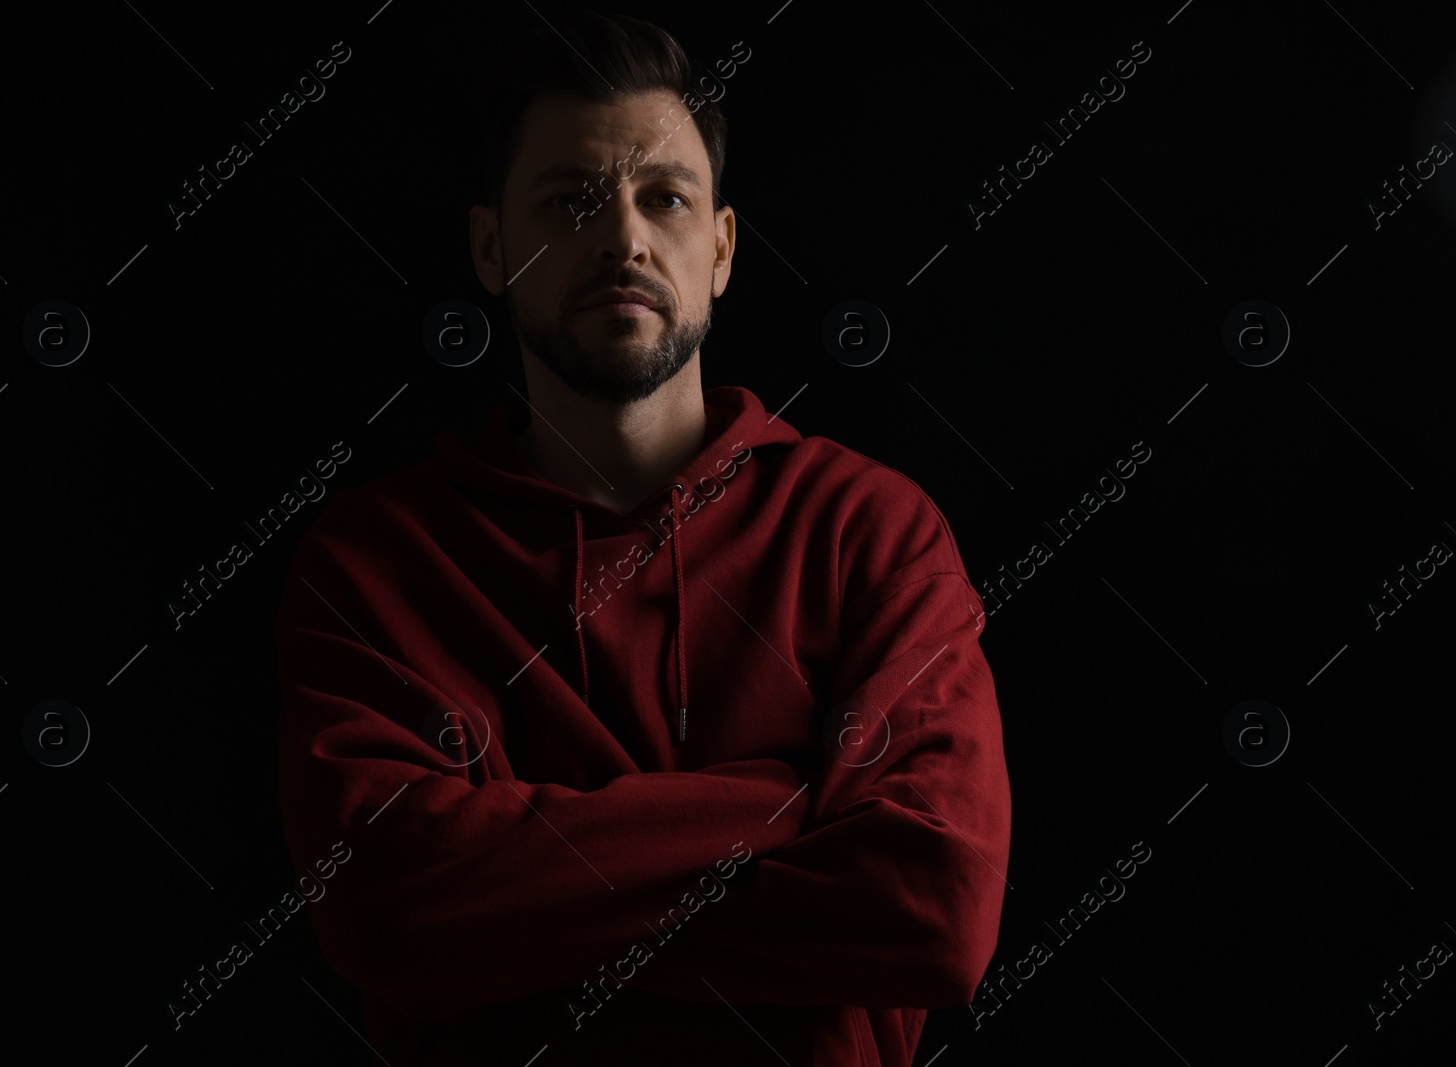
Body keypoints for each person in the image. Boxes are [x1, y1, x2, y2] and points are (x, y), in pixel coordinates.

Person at [275, 11, 1011, 1065]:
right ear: (491, 246)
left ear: (718, 248)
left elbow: (935, 908)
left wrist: (519, 893)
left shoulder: (869, 531)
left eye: (662, 197)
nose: (622, 237)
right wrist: (793, 803)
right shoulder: (376, 563)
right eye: (570, 200)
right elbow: (386, 910)